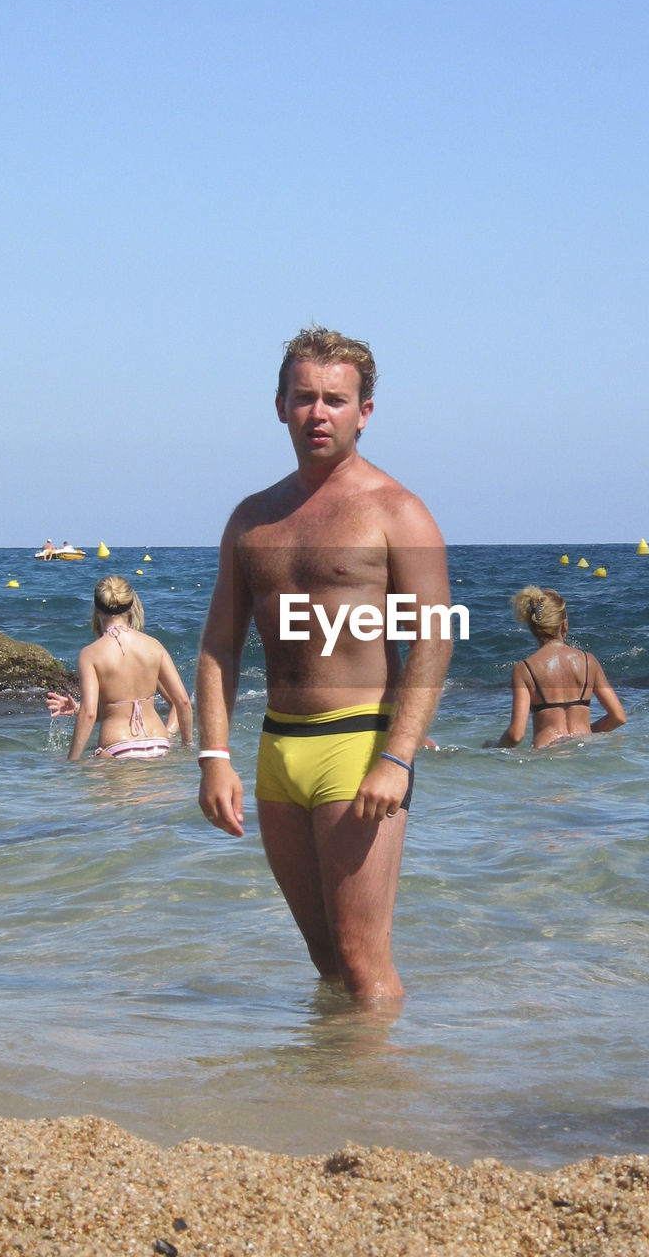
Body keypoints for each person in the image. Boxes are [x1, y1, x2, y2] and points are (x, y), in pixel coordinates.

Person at [196, 327, 452, 999]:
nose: (318, 413)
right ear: (279, 405)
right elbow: (219, 645)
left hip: (360, 742)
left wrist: (397, 760)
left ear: (364, 412)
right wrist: (213, 757)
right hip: (280, 748)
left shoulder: (397, 511)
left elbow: (434, 639)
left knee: (364, 964)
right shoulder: (254, 519)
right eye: (304, 397)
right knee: (328, 963)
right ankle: (333, 1100)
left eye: (335, 400)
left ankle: (380, 1102)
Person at [52, 575, 192, 759]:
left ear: (96, 610)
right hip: (159, 743)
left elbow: (90, 714)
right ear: (131, 608)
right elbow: (182, 701)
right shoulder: (154, 645)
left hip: (118, 747)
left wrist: (71, 763)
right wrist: (186, 745)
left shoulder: (90, 654)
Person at [485, 586, 626, 749]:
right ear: (564, 624)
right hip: (584, 752)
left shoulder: (525, 669)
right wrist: (585, 735)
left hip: (547, 755)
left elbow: (516, 735)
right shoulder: (589, 662)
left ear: (533, 628)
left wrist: (494, 747)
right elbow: (618, 717)